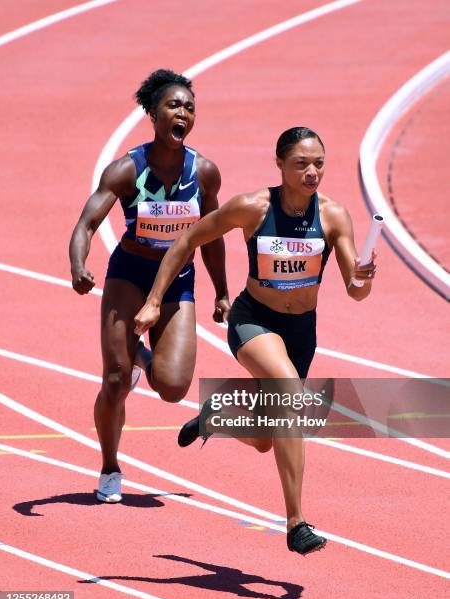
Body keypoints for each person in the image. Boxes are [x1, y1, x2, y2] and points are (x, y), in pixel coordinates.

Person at [133, 126, 377, 555]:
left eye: (319, 162)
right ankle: (296, 523)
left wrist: (363, 277)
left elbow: (355, 292)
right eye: (301, 163)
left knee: (267, 437)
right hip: (253, 322)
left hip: (302, 333)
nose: (312, 171)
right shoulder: (252, 208)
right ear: (279, 164)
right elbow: (188, 239)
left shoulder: (334, 216)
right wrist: (154, 301)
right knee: (290, 398)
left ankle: (218, 417)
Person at [69, 69, 230, 503]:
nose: (184, 113)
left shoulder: (205, 172)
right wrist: (78, 264)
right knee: (116, 380)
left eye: (190, 107)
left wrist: (221, 291)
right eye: (174, 105)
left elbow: (211, 237)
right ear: (153, 114)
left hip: (178, 281)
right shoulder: (126, 170)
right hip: (130, 276)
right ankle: (109, 468)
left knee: (174, 388)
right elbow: (86, 224)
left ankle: (141, 354)